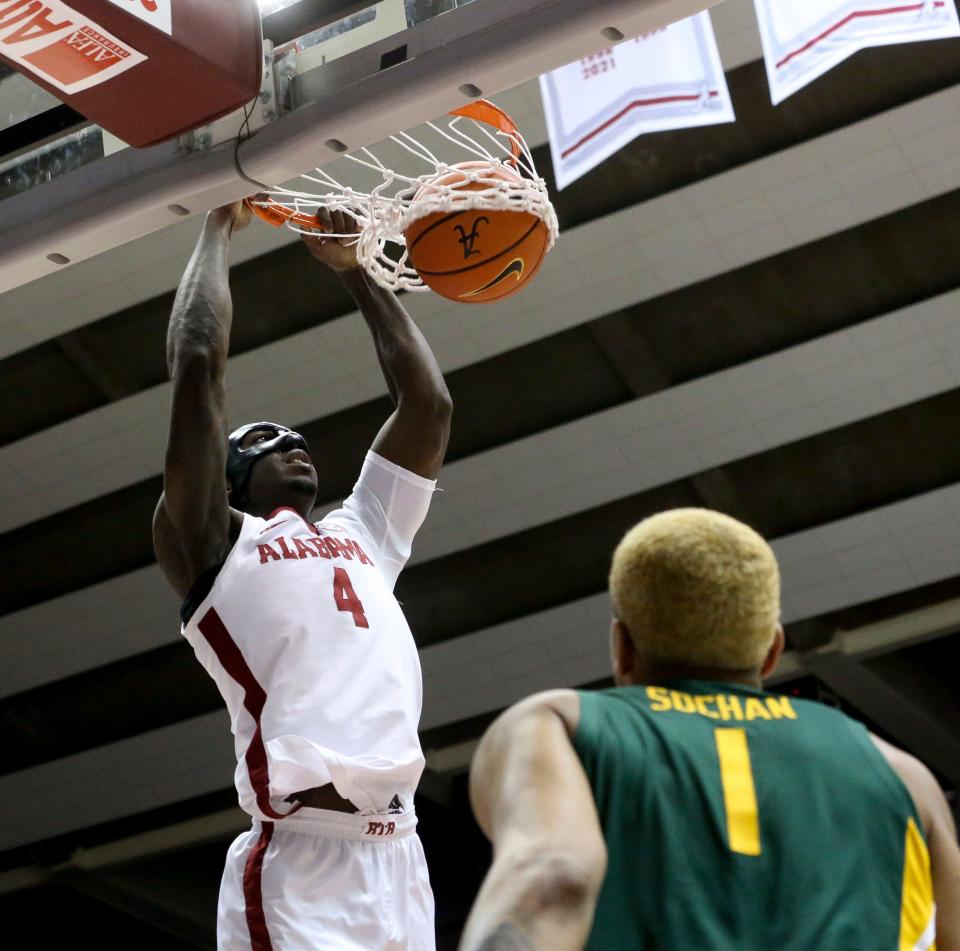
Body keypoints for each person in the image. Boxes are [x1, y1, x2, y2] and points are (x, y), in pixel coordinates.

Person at [153, 200, 452, 950]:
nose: (292, 444)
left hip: (401, 850)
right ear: (224, 478)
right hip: (302, 855)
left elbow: (428, 403)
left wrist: (356, 272)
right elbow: (196, 368)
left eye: (298, 439)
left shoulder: (365, 534)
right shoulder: (216, 546)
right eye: (264, 441)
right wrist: (219, 225)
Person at [461, 508, 960, 950]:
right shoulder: (903, 775)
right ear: (771, 650)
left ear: (622, 647)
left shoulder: (555, 727)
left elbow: (554, 877)